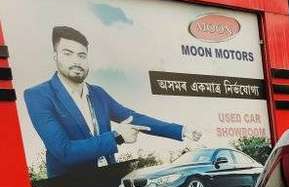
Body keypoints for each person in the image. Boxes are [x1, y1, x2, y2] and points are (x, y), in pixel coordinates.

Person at [25, 26, 201, 179]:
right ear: (55, 56)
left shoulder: (98, 94)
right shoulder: (38, 95)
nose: (76, 61)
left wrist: (182, 130)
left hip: (108, 180)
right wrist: (117, 137)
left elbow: (135, 119)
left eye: (82, 55)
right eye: (68, 53)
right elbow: (64, 151)